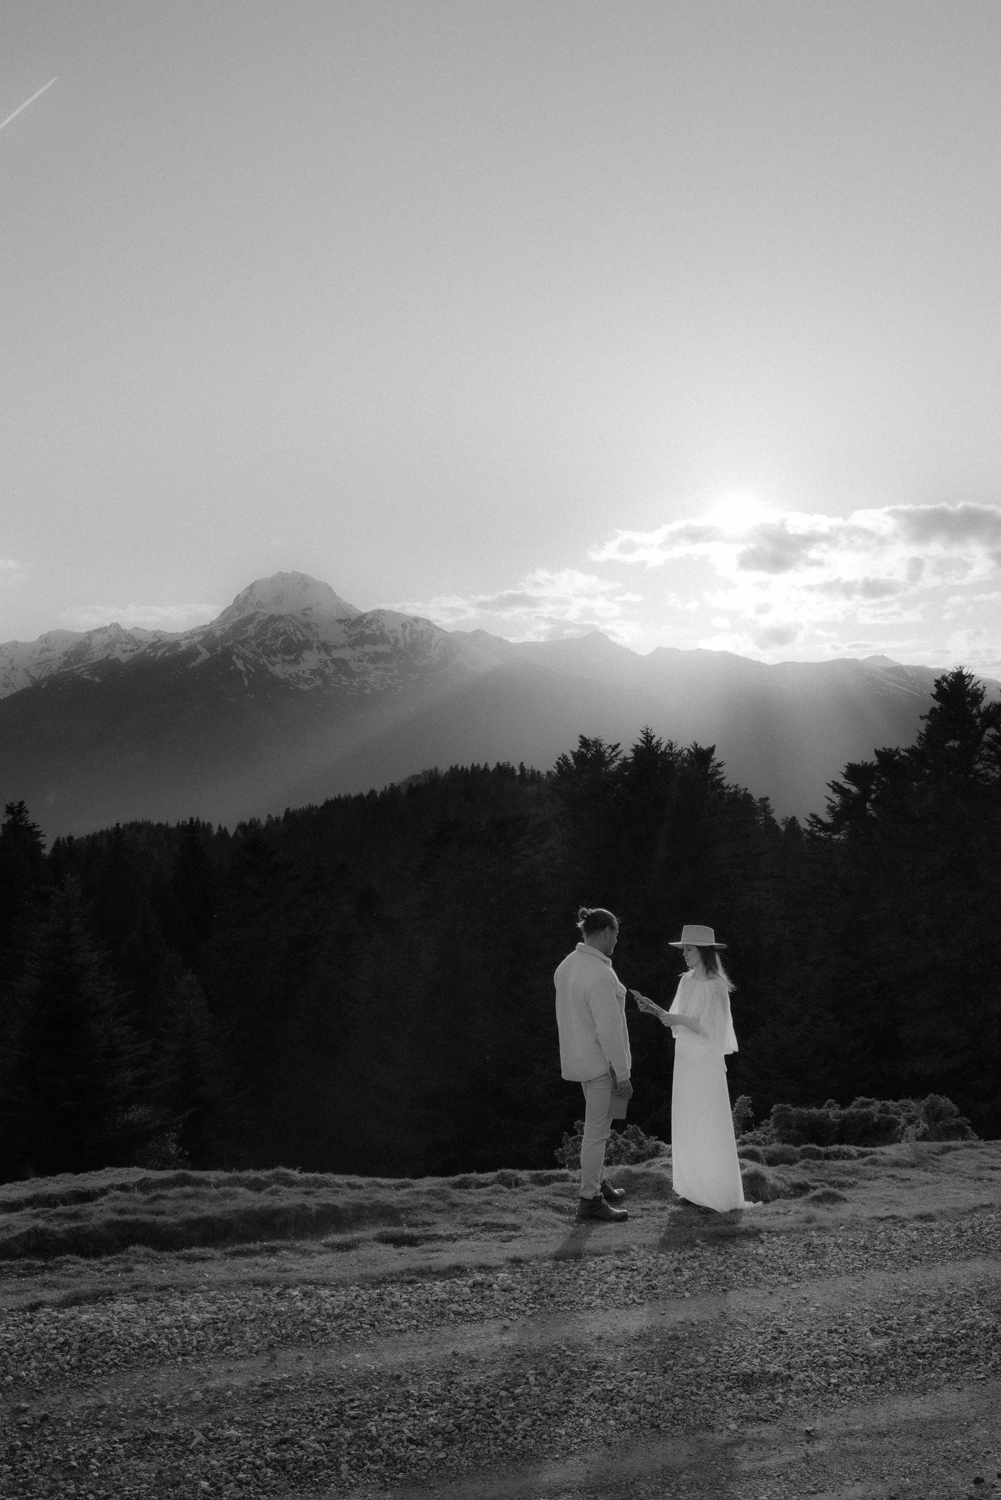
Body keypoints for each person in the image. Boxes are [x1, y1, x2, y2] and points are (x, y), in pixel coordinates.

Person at [632, 923, 745, 1213]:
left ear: (703, 952)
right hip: (685, 1059)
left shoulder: (718, 987)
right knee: (688, 1119)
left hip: (704, 1061)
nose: (684, 954)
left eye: (689, 950)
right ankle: (692, 1189)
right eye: (683, 950)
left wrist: (677, 1018)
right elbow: (676, 1019)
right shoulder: (686, 981)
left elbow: (713, 1030)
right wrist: (655, 1010)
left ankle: (715, 1192)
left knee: (707, 1119)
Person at [554, 907, 633, 1222]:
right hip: (602, 1065)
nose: (616, 941)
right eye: (616, 934)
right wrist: (622, 1073)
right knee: (597, 1132)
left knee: (597, 1128)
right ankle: (590, 1200)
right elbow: (609, 1030)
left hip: (579, 1059)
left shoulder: (566, 966)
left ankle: (598, 1182)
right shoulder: (600, 973)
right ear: (607, 932)